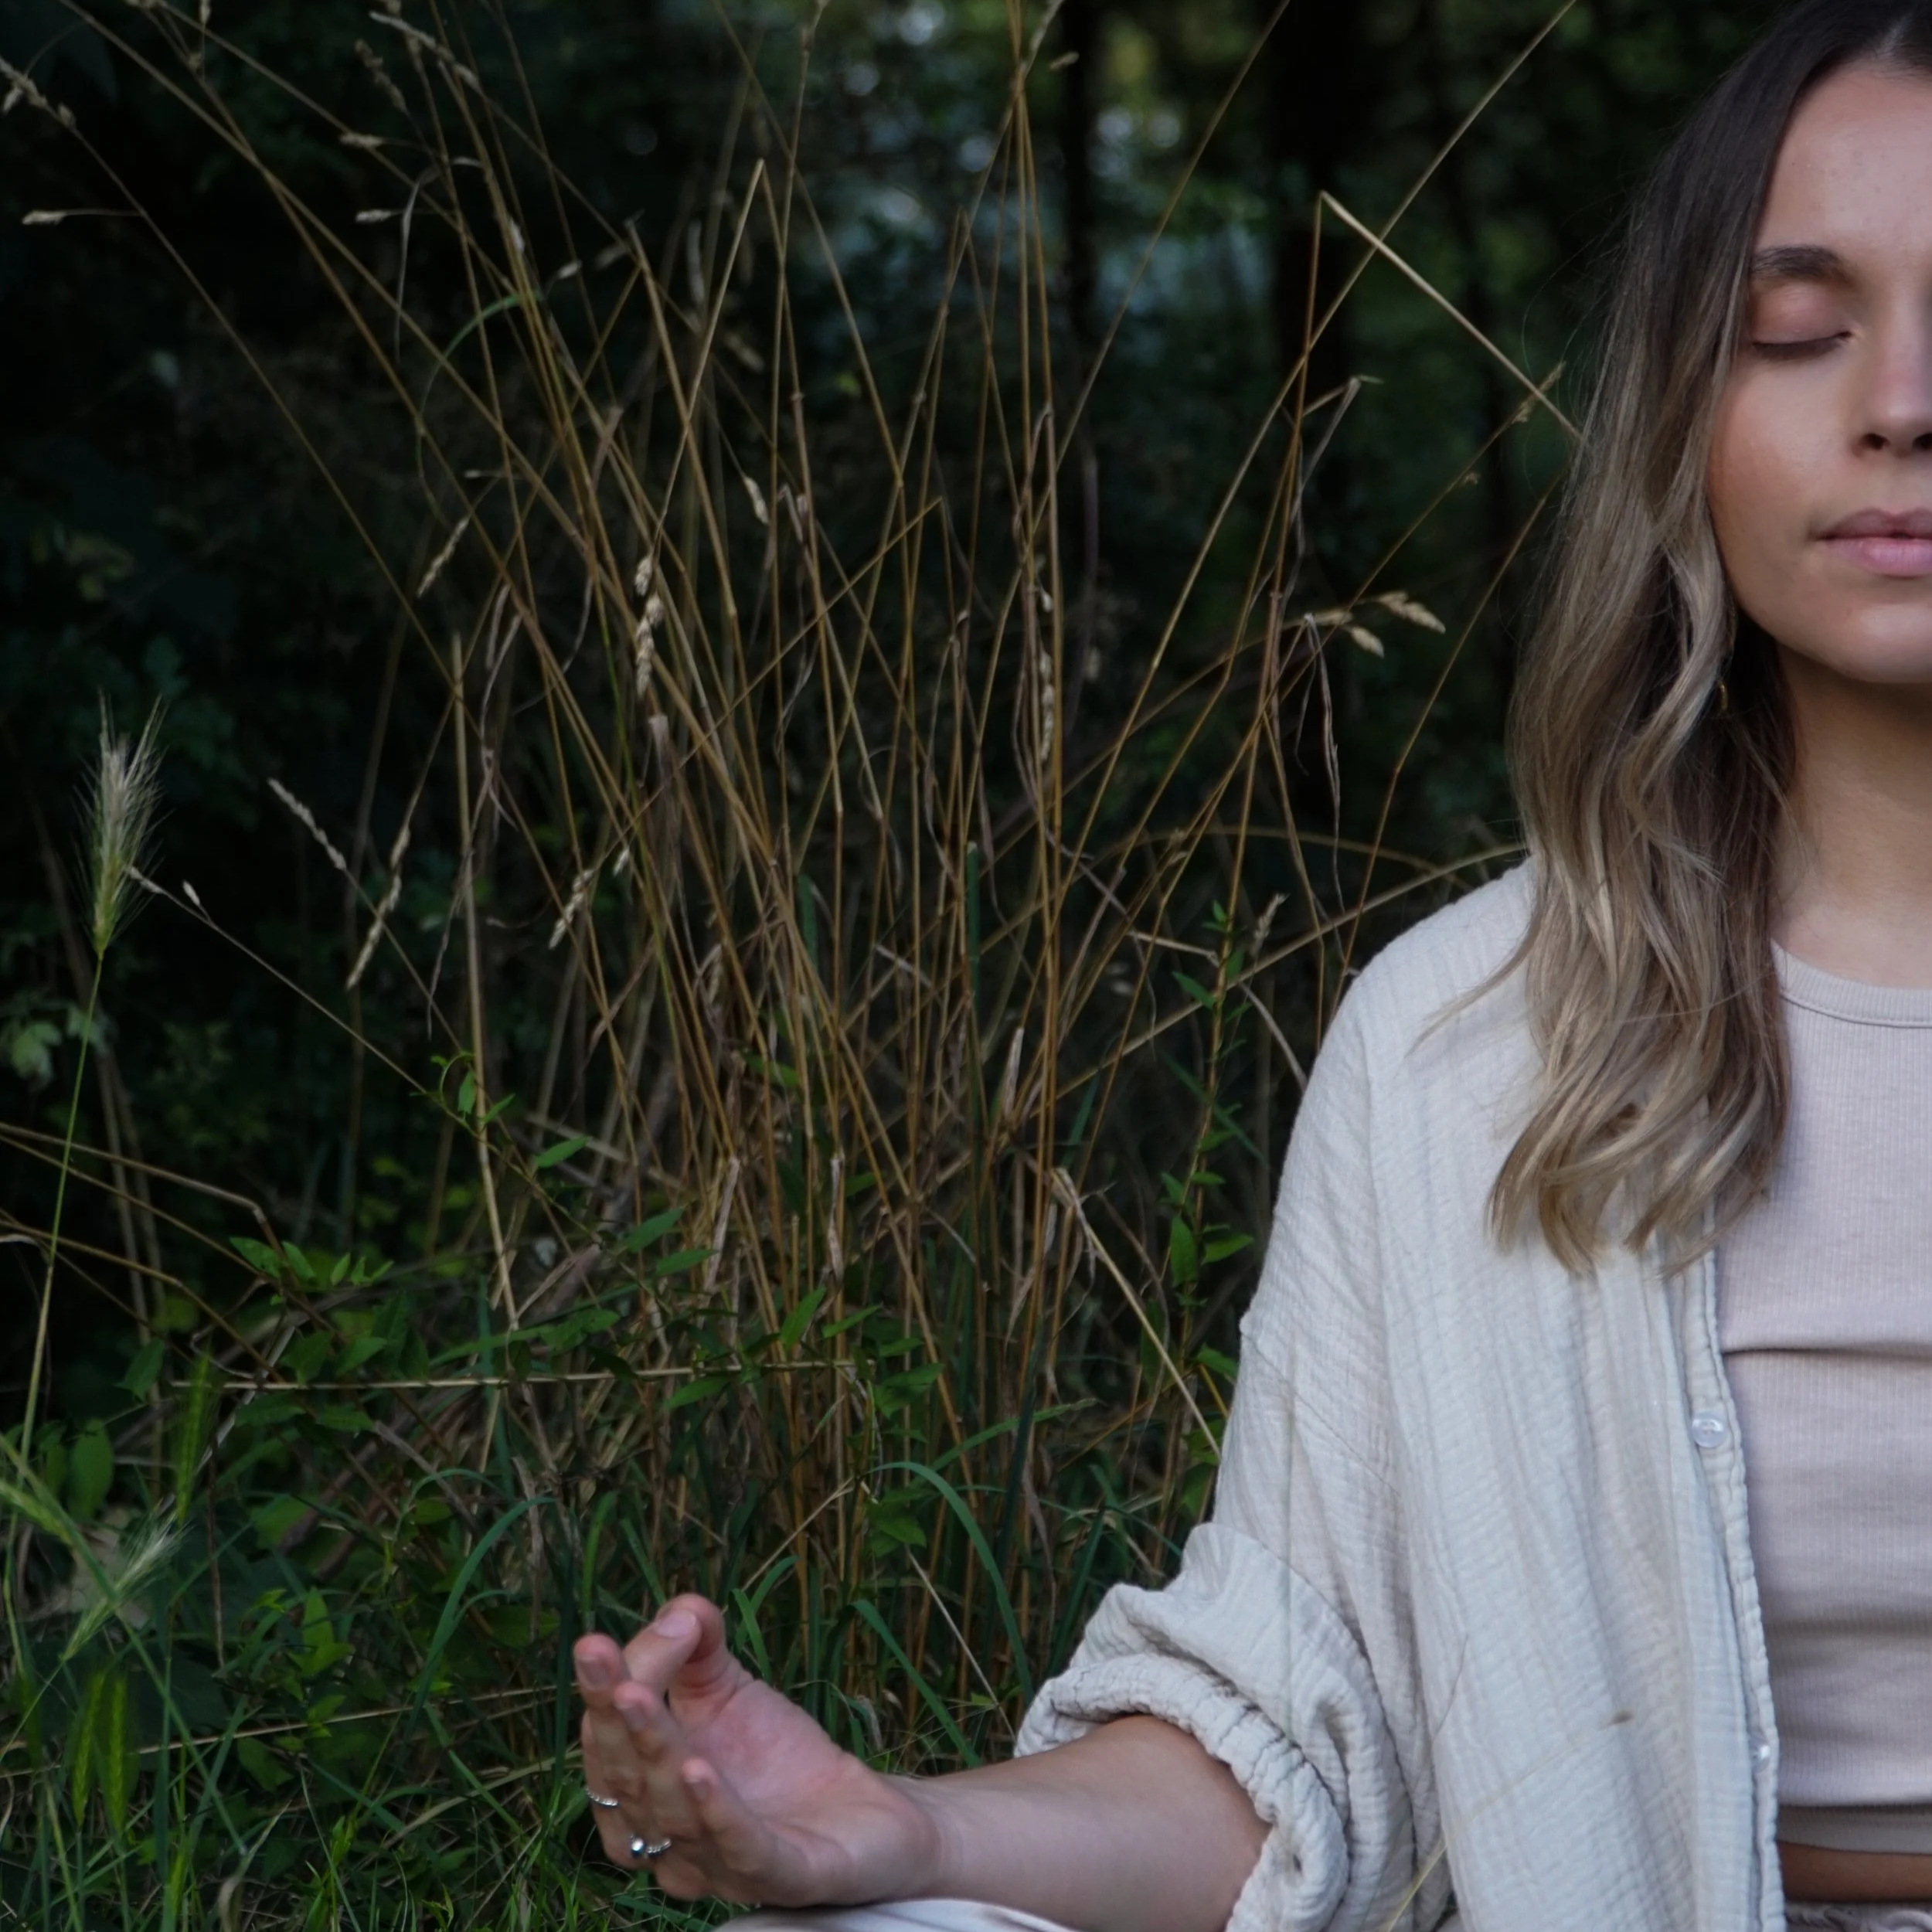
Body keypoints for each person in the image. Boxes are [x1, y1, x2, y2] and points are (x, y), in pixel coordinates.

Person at [572, 2, 1932, 1925]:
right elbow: (1286, 1740)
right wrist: (904, 1831)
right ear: (1682, 418)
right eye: (1798, 326)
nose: (1898, 399)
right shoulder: (1469, 1045)